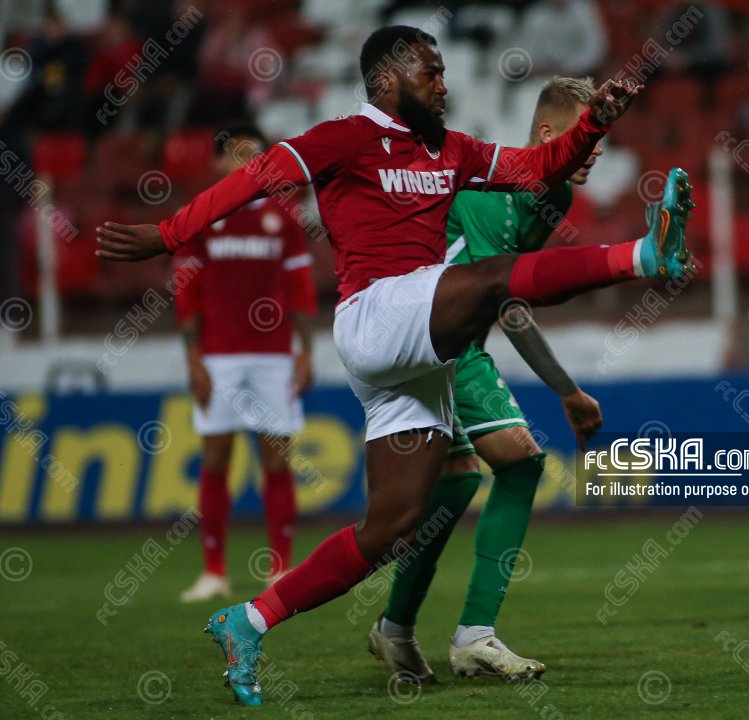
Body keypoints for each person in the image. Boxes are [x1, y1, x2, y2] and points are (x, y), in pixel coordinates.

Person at [95, 26, 693, 706]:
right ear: (385, 80)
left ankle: (250, 619)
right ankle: (645, 256)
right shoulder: (342, 138)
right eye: (429, 72)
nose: (443, 85)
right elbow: (255, 180)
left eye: (443, 72)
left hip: (414, 356)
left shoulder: (453, 149)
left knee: (392, 527)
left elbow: (537, 168)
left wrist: (591, 124)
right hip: (377, 314)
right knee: (493, 277)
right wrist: (171, 234)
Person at [369, 76, 605, 683]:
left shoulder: (555, 201)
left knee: (452, 487)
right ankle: (474, 635)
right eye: (590, 133)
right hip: (430, 341)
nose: (599, 147)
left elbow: (517, 290)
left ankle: (394, 628)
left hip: (443, 343)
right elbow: (506, 301)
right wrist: (566, 390)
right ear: (552, 135)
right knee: (521, 463)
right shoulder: (483, 187)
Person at [173, 122, 317, 602]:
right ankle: (214, 571)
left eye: (255, 154)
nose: (248, 163)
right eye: (238, 154)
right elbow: (188, 293)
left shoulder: (285, 215)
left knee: (275, 459)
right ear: (219, 163)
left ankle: (281, 569)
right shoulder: (201, 215)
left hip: (274, 354)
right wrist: (193, 359)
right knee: (216, 457)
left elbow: (299, 287)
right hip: (218, 354)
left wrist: (306, 351)